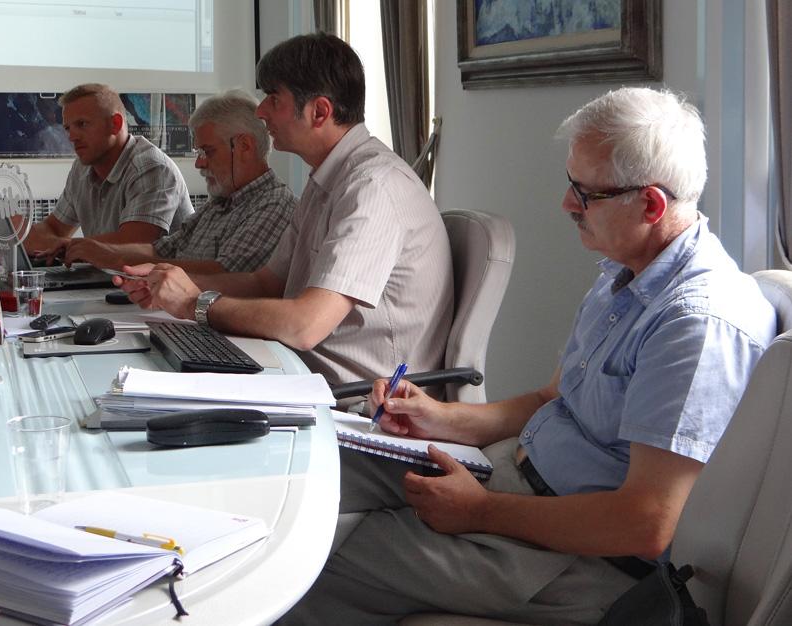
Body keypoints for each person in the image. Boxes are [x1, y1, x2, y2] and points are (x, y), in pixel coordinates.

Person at [278, 87, 778, 624]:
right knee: (307, 469)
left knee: (309, 566)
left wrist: (482, 512)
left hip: (580, 557)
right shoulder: (625, 273)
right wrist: (439, 417)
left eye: (586, 193)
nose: (567, 204)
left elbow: (646, 523)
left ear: (651, 205)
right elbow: (548, 400)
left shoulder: (696, 326)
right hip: (511, 475)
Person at [117, 34, 453, 387]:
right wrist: (168, 282)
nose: (260, 111)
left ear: (319, 112)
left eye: (273, 99)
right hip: (301, 372)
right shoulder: (329, 179)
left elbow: (305, 326)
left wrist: (193, 304)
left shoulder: (372, 187)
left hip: (354, 399)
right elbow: (265, 283)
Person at [60, 90, 296, 274]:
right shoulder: (218, 205)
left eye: (208, 151)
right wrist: (100, 252)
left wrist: (116, 259)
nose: (199, 164)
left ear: (244, 146)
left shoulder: (273, 205)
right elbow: (161, 250)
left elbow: (224, 274)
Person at [24, 83, 194, 256]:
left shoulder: (152, 168)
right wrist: (20, 232)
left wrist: (64, 246)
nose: (72, 137)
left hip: (151, 273)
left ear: (115, 124)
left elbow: (133, 246)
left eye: (82, 124)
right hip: (108, 272)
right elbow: (54, 228)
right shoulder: (81, 168)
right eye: (68, 128)